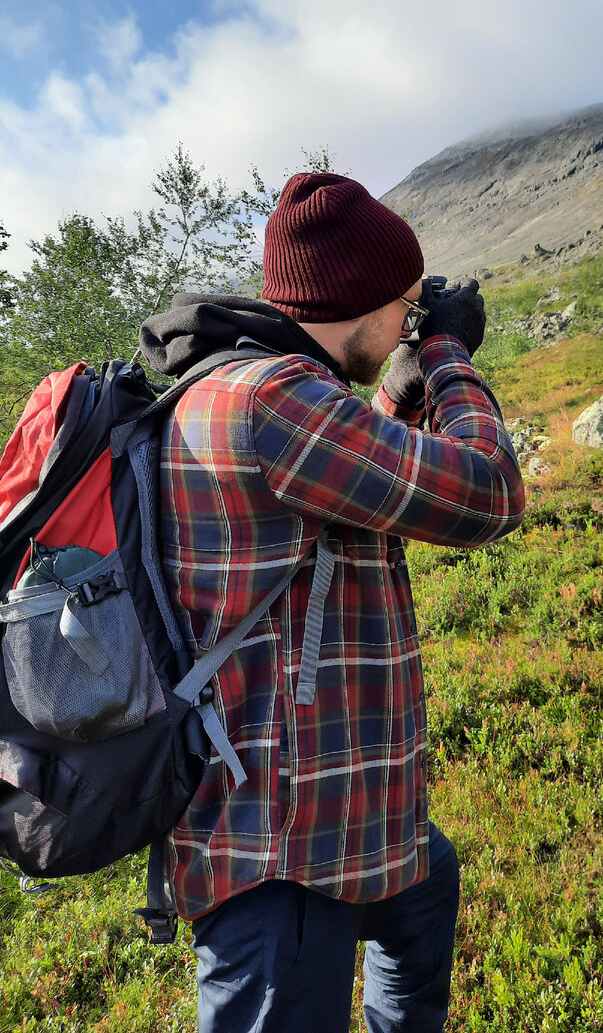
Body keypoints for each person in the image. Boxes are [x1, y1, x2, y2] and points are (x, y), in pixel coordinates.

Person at [139, 172, 526, 1033]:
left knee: (428, 887)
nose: (409, 321)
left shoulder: (247, 384)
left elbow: (348, 474)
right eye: (402, 305)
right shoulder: (272, 399)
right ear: (358, 303)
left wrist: (400, 382)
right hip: (284, 849)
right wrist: (452, 357)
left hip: (340, 810)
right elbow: (487, 493)